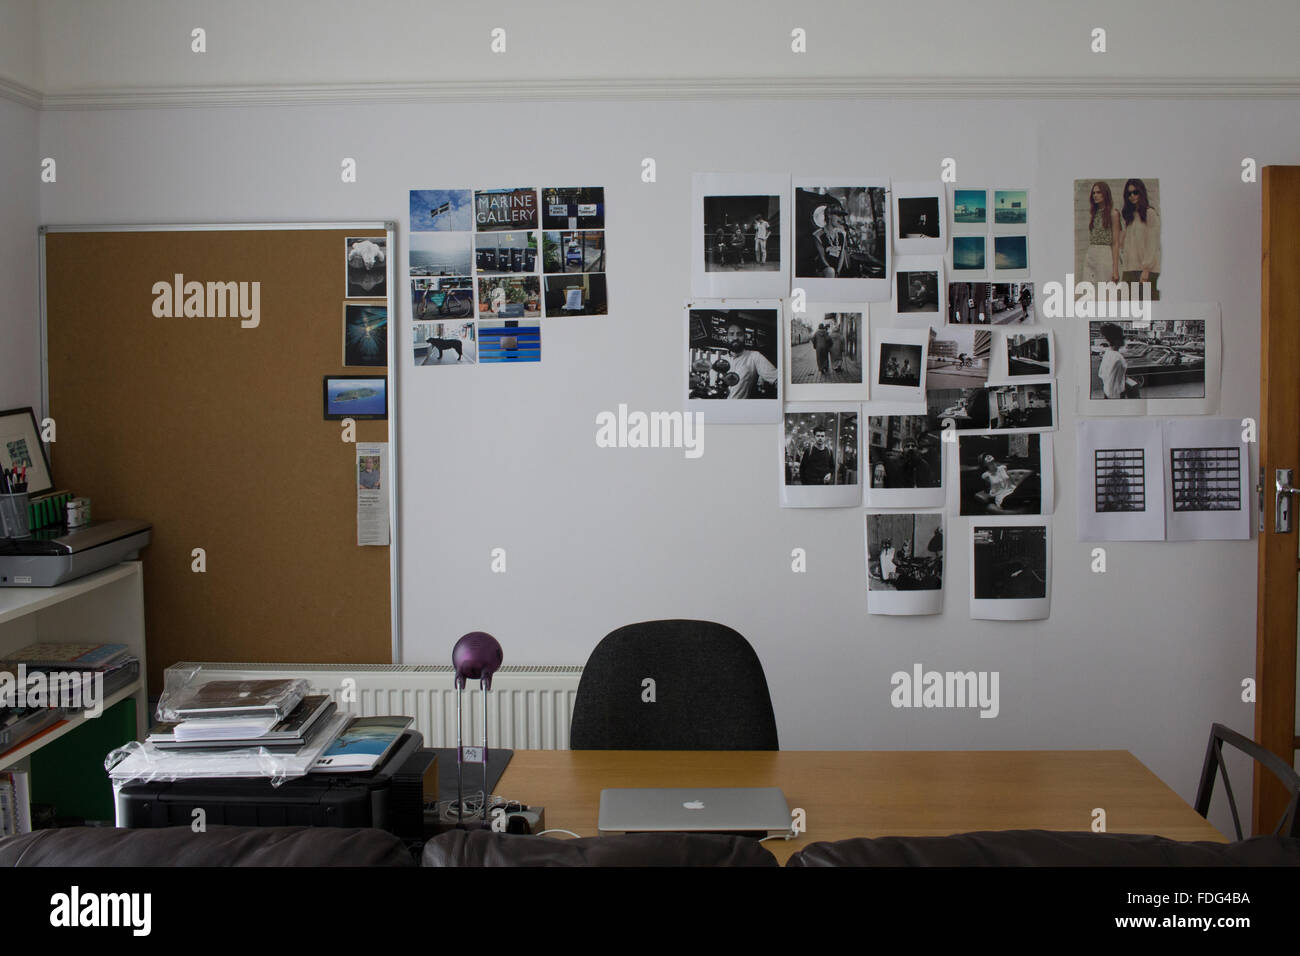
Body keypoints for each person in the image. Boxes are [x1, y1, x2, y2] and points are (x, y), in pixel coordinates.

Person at [1119, 179, 1161, 300]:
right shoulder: (1129, 217)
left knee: (1147, 311)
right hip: (1129, 271)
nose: (1132, 196)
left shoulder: (1150, 213)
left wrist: (1146, 269)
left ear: (1141, 193)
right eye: (1129, 193)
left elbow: (1152, 244)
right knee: (1128, 310)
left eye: (1135, 192)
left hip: (1144, 271)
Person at [722, 322, 778, 399]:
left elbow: (777, 379)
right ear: (727, 337)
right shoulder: (721, 359)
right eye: (731, 334)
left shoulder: (754, 356)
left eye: (739, 334)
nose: (735, 338)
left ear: (745, 337)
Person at [1082, 181, 1120, 286]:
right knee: (1088, 291)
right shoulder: (1094, 213)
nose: (1095, 195)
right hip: (1091, 254)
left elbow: (1116, 243)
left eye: (1099, 192)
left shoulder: (1113, 213)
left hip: (1104, 254)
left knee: (1104, 292)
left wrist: (1115, 270)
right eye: (1094, 193)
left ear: (1105, 193)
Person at [811, 202, 847, 277]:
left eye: (841, 216)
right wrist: (832, 272)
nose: (841, 219)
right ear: (829, 215)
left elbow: (842, 255)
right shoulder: (818, 235)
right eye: (838, 215)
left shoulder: (842, 234)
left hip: (836, 271)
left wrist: (837, 271)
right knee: (830, 271)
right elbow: (822, 257)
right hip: (823, 270)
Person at [1097, 322, 1129, 399]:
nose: (1124, 341)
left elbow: (1101, 373)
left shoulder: (1107, 353)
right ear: (1117, 341)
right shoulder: (1118, 357)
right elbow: (1119, 378)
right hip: (1116, 394)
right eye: (1122, 339)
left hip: (1107, 391)